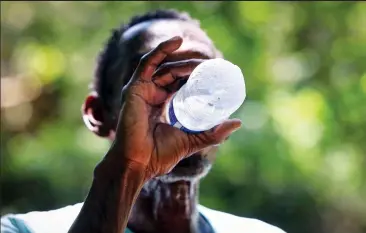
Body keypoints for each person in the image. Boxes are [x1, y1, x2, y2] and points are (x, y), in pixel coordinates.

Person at [1, 9, 286, 233]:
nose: (181, 92)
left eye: (198, 77)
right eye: (157, 79)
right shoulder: (24, 230)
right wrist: (130, 168)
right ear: (99, 115)